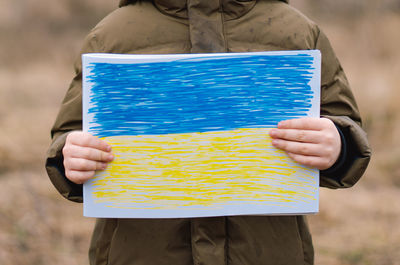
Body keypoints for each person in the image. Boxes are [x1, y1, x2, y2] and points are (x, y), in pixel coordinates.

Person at [45, 0, 371, 264]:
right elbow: (70, 134)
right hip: (140, 252)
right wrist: (71, 156)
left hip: (268, 251)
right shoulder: (112, 36)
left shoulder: (298, 32)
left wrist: (338, 145)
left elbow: (345, 124)